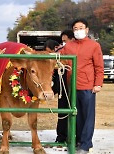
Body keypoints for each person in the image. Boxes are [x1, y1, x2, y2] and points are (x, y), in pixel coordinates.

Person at [60, 19, 104, 154]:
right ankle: (78, 140)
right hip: (72, 86)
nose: (78, 30)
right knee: (75, 116)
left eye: (80, 28)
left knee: (87, 116)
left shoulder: (94, 46)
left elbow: (99, 66)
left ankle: (85, 145)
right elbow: (59, 59)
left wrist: (98, 83)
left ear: (86, 30)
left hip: (87, 86)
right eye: (75, 28)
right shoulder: (68, 46)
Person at [55, 29, 75, 143]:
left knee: (74, 111)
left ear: (72, 40)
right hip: (63, 85)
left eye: (65, 41)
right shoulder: (60, 51)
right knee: (62, 111)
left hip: (75, 85)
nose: (63, 44)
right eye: (62, 42)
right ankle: (61, 136)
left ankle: (74, 136)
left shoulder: (77, 51)